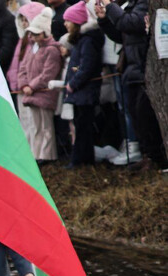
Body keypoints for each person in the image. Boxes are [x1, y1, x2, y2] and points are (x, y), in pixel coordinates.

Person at [96, 0, 168, 170]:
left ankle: (159, 159)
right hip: (133, 68)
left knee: (146, 117)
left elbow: (132, 24)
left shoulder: (145, 3)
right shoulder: (133, 5)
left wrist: (110, 6)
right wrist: (104, 20)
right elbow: (122, 33)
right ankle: (149, 156)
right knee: (136, 117)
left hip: (143, 68)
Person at [62, 1, 103, 167]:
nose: (65, 24)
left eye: (68, 21)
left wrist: (73, 83)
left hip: (85, 92)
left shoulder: (88, 41)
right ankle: (83, 159)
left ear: (77, 22)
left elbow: (87, 66)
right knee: (80, 126)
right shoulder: (81, 41)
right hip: (81, 93)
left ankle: (80, 160)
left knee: (83, 127)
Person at [17, 9, 62, 163]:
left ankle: (47, 155)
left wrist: (32, 86)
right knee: (35, 126)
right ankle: (35, 154)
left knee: (46, 126)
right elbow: (22, 68)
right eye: (32, 34)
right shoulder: (31, 48)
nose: (33, 37)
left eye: (36, 34)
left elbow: (48, 73)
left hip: (44, 93)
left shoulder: (51, 50)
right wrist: (24, 85)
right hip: (31, 93)